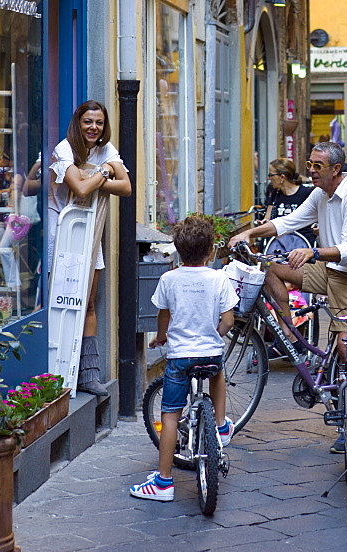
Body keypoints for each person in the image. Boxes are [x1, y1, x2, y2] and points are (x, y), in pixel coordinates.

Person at [228, 141, 347, 451]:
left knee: (346, 349)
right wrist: (249, 234)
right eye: (309, 164)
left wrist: (312, 251)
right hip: (333, 270)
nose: (310, 170)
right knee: (272, 270)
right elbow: (288, 222)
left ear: (336, 169)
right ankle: (291, 336)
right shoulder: (321, 194)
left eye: (316, 166)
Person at [130, 215, 238, 502]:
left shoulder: (169, 278)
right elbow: (228, 320)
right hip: (210, 351)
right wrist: (214, 334)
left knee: (170, 415)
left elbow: (163, 314)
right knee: (217, 373)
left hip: (180, 356)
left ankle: (164, 483)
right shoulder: (219, 278)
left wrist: (162, 336)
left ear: (178, 250)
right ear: (211, 250)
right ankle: (220, 425)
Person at [49, 101, 131, 395]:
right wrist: (106, 173)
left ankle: (88, 375)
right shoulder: (64, 150)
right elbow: (80, 189)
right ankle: (56, 372)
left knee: (89, 302)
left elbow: (126, 187)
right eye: (87, 122)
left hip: (89, 232)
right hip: (62, 231)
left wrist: (95, 174)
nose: (93, 128)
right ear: (78, 123)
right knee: (60, 300)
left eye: (98, 122)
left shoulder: (106, 150)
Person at [264, 158, 315, 241]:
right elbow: (268, 217)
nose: (268, 178)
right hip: (279, 243)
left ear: (282, 177)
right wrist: (265, 222)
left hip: (302, 242)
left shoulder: (306, 194)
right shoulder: (275, 194)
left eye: (271, 175)